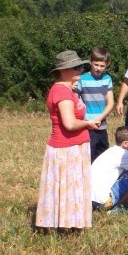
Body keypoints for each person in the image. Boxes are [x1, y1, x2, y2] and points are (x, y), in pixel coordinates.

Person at [36, 50, 101, 231]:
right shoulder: (62, 92)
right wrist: (88, 123)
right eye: (76, 67)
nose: (80, 70)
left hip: (73, 146)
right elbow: (70, 124)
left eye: (80, 66)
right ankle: (64, 225)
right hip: (67, 148)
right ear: (64, 71)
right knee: (67, 189)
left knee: (71, 189)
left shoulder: (66, 90)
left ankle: (69, 224)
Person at [90, 126, 128, 213]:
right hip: (103, 202)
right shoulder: (124, 154)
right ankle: (116, 206)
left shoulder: (112, 150)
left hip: (90, 200)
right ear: (125, 144)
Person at [78, 47, 114, 162]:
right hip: (87, 125)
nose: (98, 68)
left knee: (103, 155)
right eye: (96, 65)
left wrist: (100, 118)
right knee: (89, 156)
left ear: (108, 64)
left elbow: (110, 103)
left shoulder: (107, 79)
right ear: (90, 62)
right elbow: (76, 100)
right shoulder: (82, 79)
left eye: (102, 66)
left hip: (101, 124)